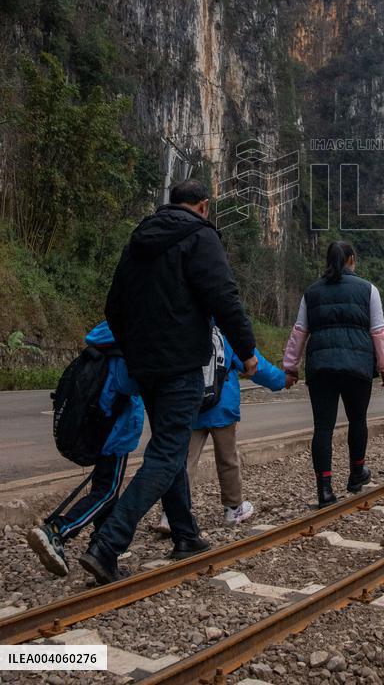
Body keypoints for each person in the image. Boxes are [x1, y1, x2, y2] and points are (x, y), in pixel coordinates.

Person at [79, 179, 258, 585]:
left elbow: (114, 306)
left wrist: (134, 349)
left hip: (145, 366)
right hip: (180, 365)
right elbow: (224, 297)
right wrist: (246, 351)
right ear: (204, 207)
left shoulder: (139, 239)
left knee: (170, 446)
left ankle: (186, 535)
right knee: (165, 455)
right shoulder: (200, 237)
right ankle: (107, 545)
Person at [27, 321, 143, 576]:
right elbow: (134, 384)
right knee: (107, 492)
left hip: (98, 430)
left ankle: (102, 552)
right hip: (115, 435)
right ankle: (58, 531)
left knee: (105, 490)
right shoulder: (123, 350)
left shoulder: (103, 341)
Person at [283, 241, 384, 508]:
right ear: (351, 259)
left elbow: (300, 331)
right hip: (357, 366)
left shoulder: (311, 292)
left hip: (321, 367)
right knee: (357, 420)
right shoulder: (368, 289)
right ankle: (357, 474)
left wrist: (291, 366)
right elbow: (378, 330)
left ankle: (325, 490)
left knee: (323, 427)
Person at [155, 333, 286, 532]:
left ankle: (171, 514)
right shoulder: (226, 332)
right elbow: (257, 366)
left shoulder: (185, 324)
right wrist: (282, 380)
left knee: (184, 460)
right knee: (228, 460)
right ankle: (233, 509)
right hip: (223, 408)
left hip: (192, 406)